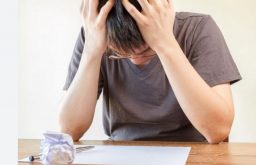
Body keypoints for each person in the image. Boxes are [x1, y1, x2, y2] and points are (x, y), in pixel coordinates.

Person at [59, 0, 242, 143]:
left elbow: (218, 130)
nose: (134, 59)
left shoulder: (198, 29)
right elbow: (69, 130)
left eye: (146, 52)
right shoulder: (95, 35)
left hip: (193, 152)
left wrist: (165, 44)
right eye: (120, 54)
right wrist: (92, 51)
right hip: (121, 152)